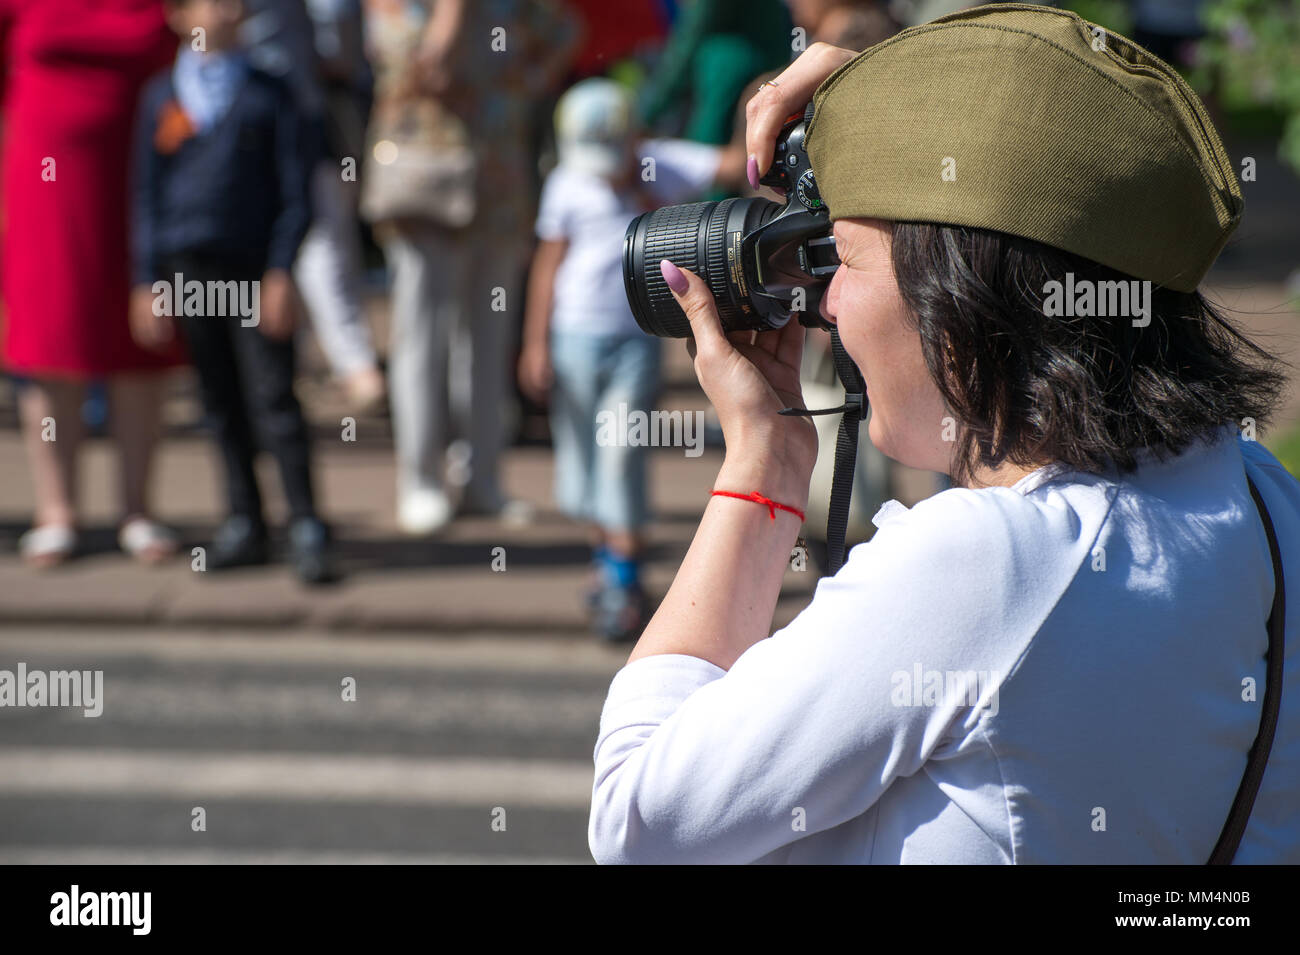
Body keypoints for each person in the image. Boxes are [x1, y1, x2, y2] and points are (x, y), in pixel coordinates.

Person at [588, 7, 1300, 864]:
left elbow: (639, 819)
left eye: (840, 258)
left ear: (958, 294)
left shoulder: (983, 564)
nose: (823, 305)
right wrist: (911, 101)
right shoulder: (1266, 503)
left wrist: (764, 466)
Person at [518, 77, 743, 642]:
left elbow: (734, 165)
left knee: (621, 453)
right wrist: (534, 343)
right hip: (574, 339)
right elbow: (548, 267)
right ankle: (609, 562)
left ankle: (624, 578)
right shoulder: (566, 184)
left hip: (634, 340)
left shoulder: (656, 165)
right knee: (584, 465)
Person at [131, 0, 334, 584]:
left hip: (254, 269)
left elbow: (296, 193)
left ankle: (305, 523)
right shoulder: (161, 95)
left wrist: (281, 269)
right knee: (218, 400)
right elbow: (146, 197)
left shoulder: (271, 92)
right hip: (189, 268)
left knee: (273, 395)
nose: (230, 9)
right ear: (177, 15)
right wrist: (146, 280)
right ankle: (245, 521)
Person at [361, 0, 578, 535]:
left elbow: (566, 32)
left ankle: (482, 477)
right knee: (422, 337)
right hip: (424, 185)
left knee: (486, 340)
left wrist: (523, 84)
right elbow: (416, 70)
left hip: (497, 187)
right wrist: (451, 15)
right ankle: (421, 479)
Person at [0, 0, 182, 568]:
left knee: (141, 343)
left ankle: (138, 508)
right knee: (53, 338)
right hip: (44, 182)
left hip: (144, 180)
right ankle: (57, 509)